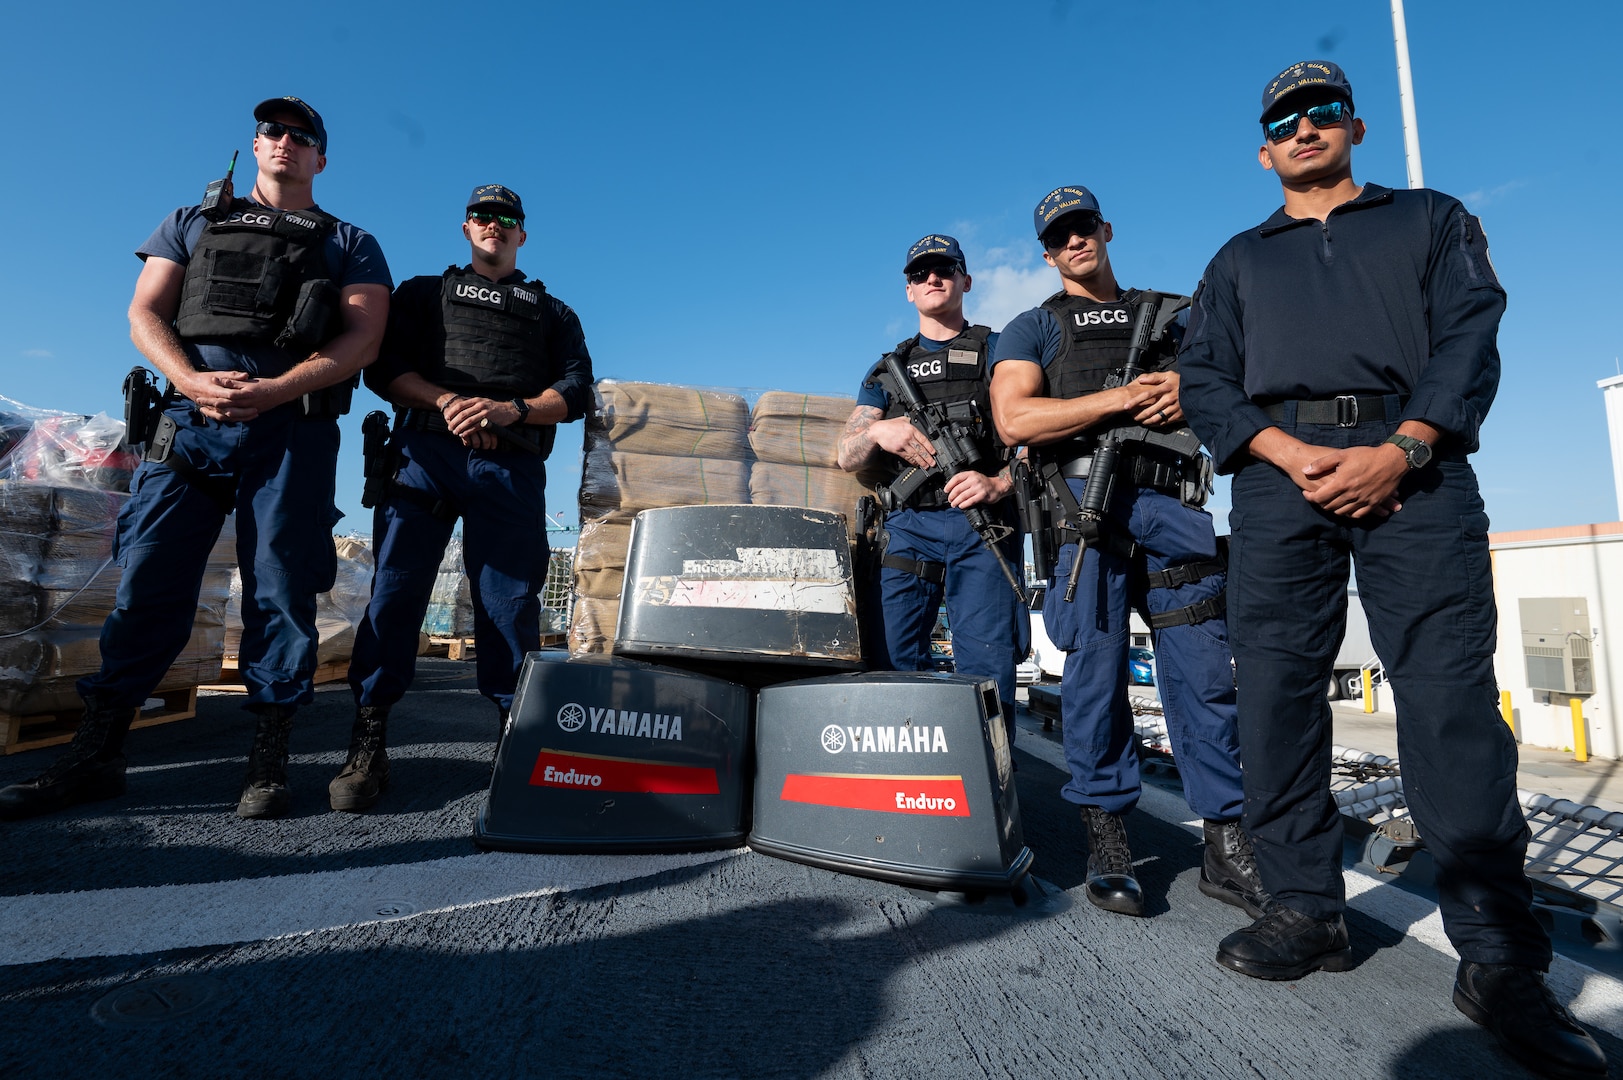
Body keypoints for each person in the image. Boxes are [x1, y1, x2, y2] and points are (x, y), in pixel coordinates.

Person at [1177, 60, 1605, 1078]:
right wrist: (1282, 454)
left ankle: (1501, 960)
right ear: (1263, 148)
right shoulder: (1239, 260)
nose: (1305, 127)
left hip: (1417, 470)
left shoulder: (1430, 220)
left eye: (1323, 111)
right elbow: (1204, 377)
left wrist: (1405, 447)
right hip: (1282, 482)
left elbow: (1470, 336)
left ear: (1355, 125)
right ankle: (1303, 909)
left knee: (1450, 704)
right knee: (1279, 695)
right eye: (1285, 119)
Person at [0, 97, 392, 822]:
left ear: (320, 158)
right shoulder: (193, 219)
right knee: (147, 581)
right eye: (272, 131)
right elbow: (144, 311)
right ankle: (97, 754)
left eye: (301, 136)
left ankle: (268, 760)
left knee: (280, 592)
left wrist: (276, 388)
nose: (284, 141)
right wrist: (186, 380)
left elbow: (362, 341)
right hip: (188, 423)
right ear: (254, 142)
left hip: (289, 427)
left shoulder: (351, 240)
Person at [988, 187, 1264, 920]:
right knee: (1093, 677)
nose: (1075, 241)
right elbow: (1014, 416)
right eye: (1059, 236)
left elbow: (1238, 379)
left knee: (1205, 676)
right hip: (1083, 513)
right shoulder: (1031, 327)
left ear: (1106, 230)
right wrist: (1116, 401)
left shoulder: (1176, 313)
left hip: (1172, 507)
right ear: (1046, 253)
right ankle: (1107, 833)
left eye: (1084, 227)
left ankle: (1225, 843)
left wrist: (1188, 387)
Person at [338, 184, 594, 812]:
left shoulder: (553, 313)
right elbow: (384, 368)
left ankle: (517, 741)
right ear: (465, 227)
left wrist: (510, 410)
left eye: (507, 219)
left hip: (507, 468)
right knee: (394, 596)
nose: (494, 226)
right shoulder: (424, 293)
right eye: (483, 216)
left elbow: (577, 390)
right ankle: (368, 741)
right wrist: (448, 402)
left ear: (522, 235)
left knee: (510, 607)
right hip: (424, 459)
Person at [836, 235, 1026, 741]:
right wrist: (879, 431)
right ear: (908, 291)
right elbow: (845, 453)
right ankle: (902, 776)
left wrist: (997, 482)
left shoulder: (1003, 350)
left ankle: (992, 784)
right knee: (891, 664)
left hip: (983, 525)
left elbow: (1034, 439)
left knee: (987, 673)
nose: (932, 279)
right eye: (920, 273)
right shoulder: (886, 371)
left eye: (945, 269)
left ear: (966, 280)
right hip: (909, 526)